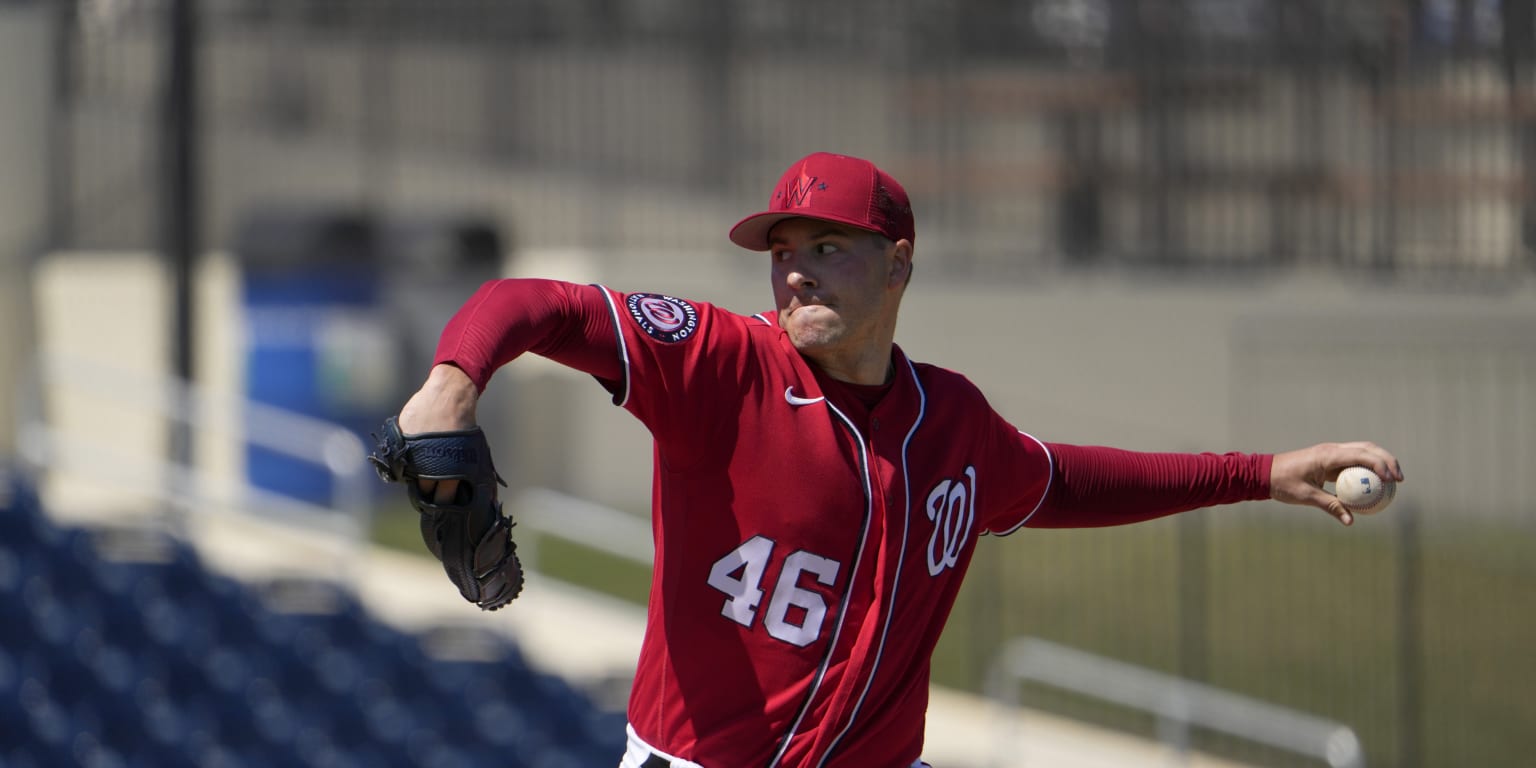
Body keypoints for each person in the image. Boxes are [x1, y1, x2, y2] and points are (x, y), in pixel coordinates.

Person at [391, 151, 1403, 768]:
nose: (796, 268)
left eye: (829, 245)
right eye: (783, 248)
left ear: (899, 263)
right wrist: (451, 384)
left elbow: (1071, 481)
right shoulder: (721, 366)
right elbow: (537, 305)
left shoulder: (951, 421)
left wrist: (1260, 471)